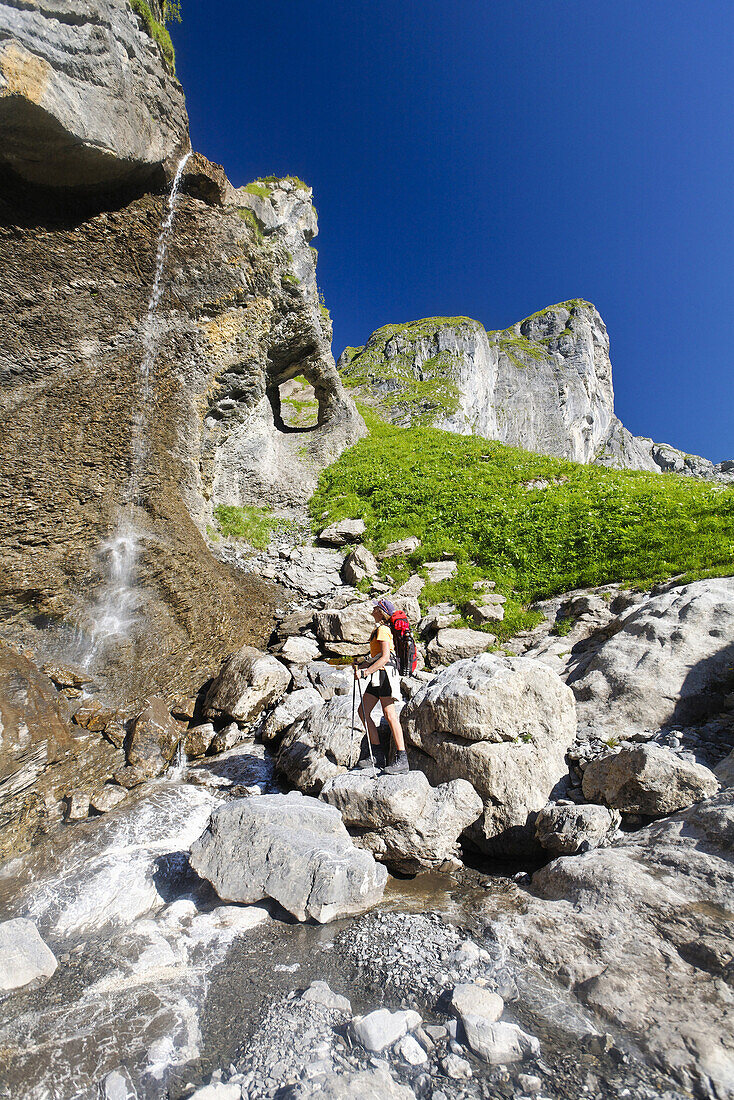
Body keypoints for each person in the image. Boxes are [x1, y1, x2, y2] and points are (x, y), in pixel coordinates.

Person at [354, 598, 409, 774]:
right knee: (363, 712)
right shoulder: (380, 629)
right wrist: (364, 666)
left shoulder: (383, 630)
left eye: (375, 608)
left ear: (381, 611)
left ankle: (402, 758)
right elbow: (378, 657)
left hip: (385, 675)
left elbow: (386, 657)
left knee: (390, 714)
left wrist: (365, 672)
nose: (372, 610)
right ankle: (376, 754)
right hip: (378, 675)